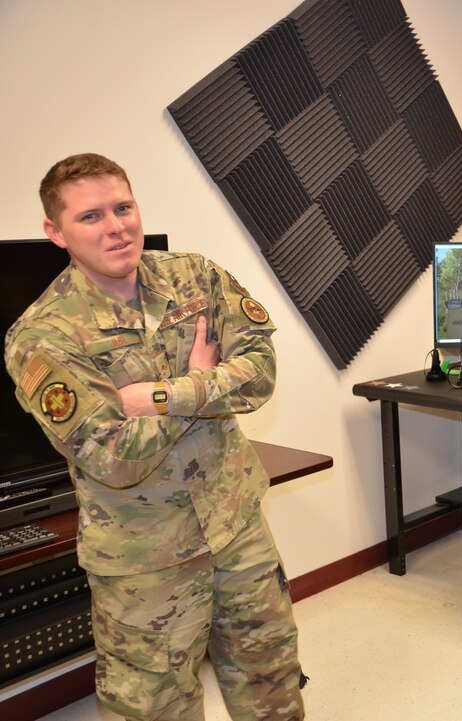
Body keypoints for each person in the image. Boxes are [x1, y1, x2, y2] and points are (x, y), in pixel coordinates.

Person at [4, 153, 305, 721]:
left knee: (272, 681)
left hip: (236, 524)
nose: (116, 227)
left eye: (123, 207)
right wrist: (208, 384)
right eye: (90, 216)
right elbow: (114, 457)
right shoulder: (42, 337)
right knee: (154, 710)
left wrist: (165, 394)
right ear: (55, 232)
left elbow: (260, 373)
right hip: (145, 561)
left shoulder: (195, 277)